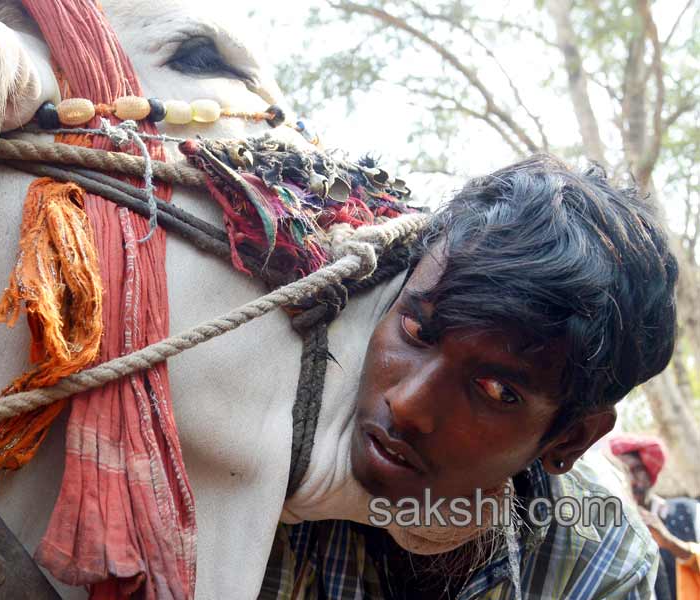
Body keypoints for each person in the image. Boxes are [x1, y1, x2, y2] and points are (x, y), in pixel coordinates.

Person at [260, 155, 680, 599]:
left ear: (570, 439)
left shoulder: (601, 565)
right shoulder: (257, 436)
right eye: (416, 331)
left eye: (497, 390)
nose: (407, 405)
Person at [610, 434, 700, 600]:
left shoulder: (689, 511)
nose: (632, 481)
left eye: (636, 470)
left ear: (649, 472)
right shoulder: (612, 531)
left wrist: (670, 542)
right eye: (623, 473)